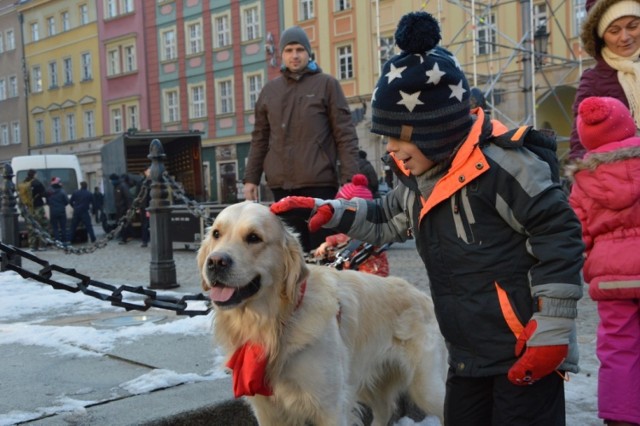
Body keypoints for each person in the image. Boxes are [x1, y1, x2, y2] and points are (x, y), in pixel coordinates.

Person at [270, 11, 585, 425]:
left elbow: (559, 235)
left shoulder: (505, 168)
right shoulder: (421, 181)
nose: (392, 150)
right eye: (386, 138)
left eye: (399, 138)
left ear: (435, 129)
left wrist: (552, 328)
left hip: (525, 346)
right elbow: (385, 218)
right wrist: (331, 212)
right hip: (468, 355)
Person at [242, 25, 360, 253]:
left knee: (323, 251)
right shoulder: (270, 91)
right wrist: (251, 179)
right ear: (282, 55)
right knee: (289, 254)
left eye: (299, 50)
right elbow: (260, 138)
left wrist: (350, 178)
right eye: (288, 50)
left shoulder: (327, 84)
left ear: (308, 53)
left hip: (319, 185)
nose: (294, 55)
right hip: (281, 186)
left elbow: (345, 134)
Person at [567, 96, 640, 426]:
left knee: (617, 346)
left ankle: (620, 416)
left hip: (611, 279)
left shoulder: (583, 182)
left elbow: (576, 234)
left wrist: (588, 263)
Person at [569, 0, 640, 160]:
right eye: (614, 31)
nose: (625, 37)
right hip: (624, 179)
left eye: (633, 26)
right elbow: (580, 144)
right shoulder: (594, 80)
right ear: (601, 37)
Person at [314, 174, 389, 277]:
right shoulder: (372, 223)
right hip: (376, 271)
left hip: (368, 276)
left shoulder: (360, 226)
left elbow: (348, 238)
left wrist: (328, 242)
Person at [17, 169, 48, 251]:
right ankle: (42, 245)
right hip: (38, 207)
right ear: (34, 174)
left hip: (29, 208)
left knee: (31, 227)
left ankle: (32, 246)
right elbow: (44, 193)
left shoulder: (23, 183)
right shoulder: (37, 183)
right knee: (41, 225)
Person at [109, 173, 132, 244]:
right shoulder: (116, 186)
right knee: (121, 223)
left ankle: (125, 238)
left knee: (124, 223)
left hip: (124, 209)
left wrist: (129, 208)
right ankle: (124, 237)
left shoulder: (122, 186)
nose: (110, 182)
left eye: (111, 180)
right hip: (119, 209)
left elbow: (128, 197)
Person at [46, 177, 69, 244]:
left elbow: (48, 201)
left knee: (55, 227)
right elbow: (67, 201)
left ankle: (57, 240)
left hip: (53, 211)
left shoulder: (49, 192)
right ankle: (64, 240)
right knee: (63, 227)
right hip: (61, 211)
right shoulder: (62, 191)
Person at [139, 168, 151, 248]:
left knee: (147, 224)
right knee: (145, 224)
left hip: (149, 206)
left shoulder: (150, 182)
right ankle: (145, 240)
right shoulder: (144, 182)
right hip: (146, 207)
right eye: (148, 170)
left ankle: (146, 240)